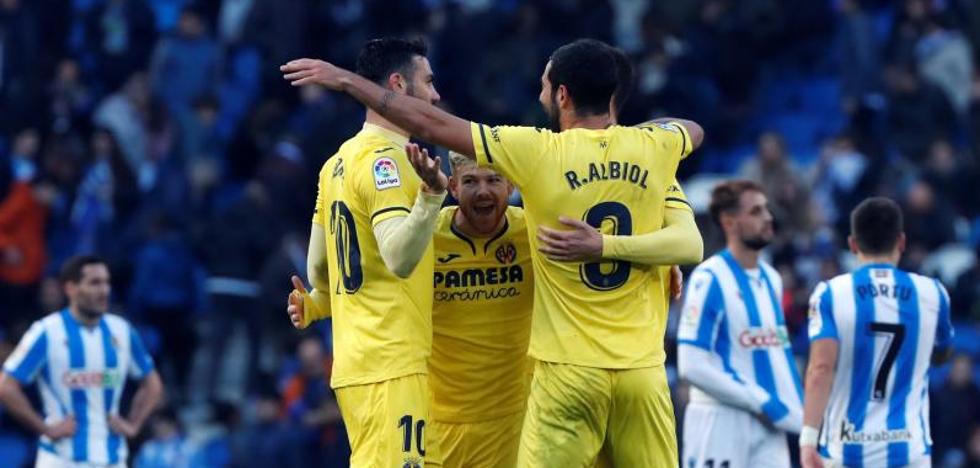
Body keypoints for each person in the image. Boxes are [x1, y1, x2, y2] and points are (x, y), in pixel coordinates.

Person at [282, 37, 704, 467]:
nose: (483, 191)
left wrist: (652, 260)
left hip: (522, 413)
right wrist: (318, 305)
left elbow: (432, 128)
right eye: (470, 182)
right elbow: (384, 266)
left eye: (494, 181)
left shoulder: (533, 215)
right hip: (442, 421)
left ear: (515, 185)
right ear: (452, 186)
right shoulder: (430, 232)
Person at [285, 37, 446, 467]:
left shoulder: (337, 162)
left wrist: (318, 306)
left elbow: (317, 270)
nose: (435, 94)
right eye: (428, 82)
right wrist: (431, 197)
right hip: (392, 362)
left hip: (355, 365)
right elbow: (398, 257)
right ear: (398, 83)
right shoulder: (386, 162)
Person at [800, 197, 955, 468]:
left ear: (852, 244)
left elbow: (820, 370)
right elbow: (942, 354)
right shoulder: (933, 294)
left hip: (845, 449)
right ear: (902, 242)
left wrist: (808, 439)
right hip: (909, 450)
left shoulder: (831, 294)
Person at [676, 180, 804, 468]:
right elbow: (691, 364)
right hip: (721, 419)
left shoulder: (771, 279)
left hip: (769, 424)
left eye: (767, 210)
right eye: (756, 211)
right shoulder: (709, 278)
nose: (768, 218)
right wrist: (757, 400)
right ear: (730, 222)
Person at [0, 255, 164, 467]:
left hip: (112, 459)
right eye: (95, 283)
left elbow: (152, 383)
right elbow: (6, 386)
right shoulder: (47, 332)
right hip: (61, 458)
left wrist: (134, 424)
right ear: (71, 288)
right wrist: (45, 429)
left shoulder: (122, 331)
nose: (104, 290)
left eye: (106, 282)